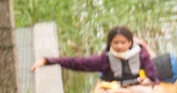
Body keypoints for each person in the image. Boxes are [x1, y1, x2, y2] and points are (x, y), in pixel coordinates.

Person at [33, 25, 161, 83]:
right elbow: (76, 63)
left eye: (123, 42)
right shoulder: (104, 60)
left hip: (136, 85)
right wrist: (47, 61)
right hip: (113, 86)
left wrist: (149, 80)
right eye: (116, 43)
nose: (119, 46)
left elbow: (152, 74)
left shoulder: (141, 55)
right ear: (110, 43)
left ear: (130, 43)